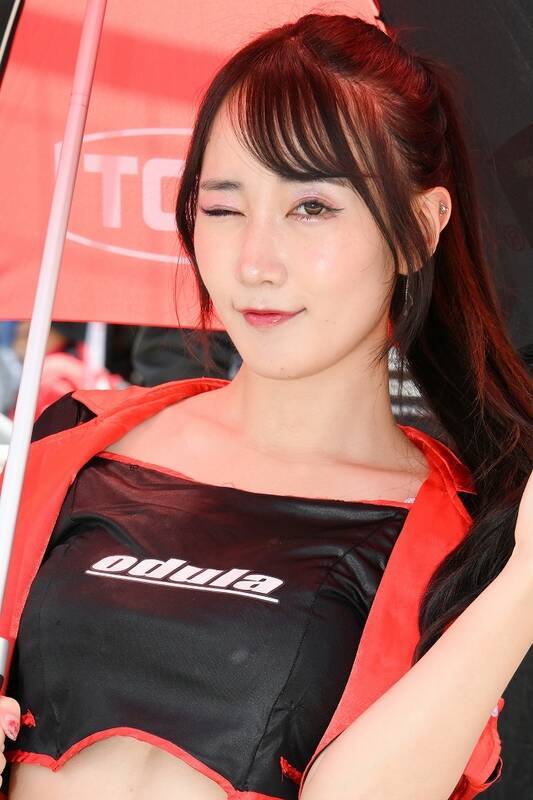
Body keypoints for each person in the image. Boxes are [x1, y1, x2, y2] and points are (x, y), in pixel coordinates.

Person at [0, 12, 531, 800]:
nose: (255, 262)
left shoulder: (463, 540)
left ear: (419, 229)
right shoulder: (76, 443)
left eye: (311, 207)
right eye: (223, 208)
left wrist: (523, 584)